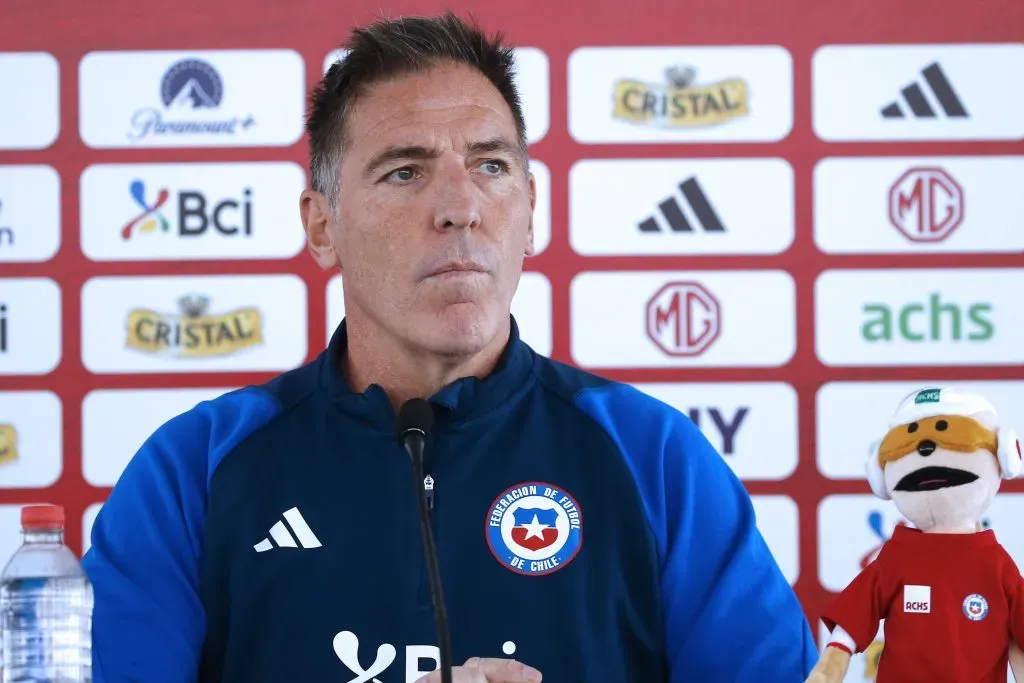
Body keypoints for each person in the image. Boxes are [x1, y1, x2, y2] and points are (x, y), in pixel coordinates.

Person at [81, 11, 818, 683]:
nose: (460, 207)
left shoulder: (654, 457)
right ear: (320, 225)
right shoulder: (193, 472)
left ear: (530, 212)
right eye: (405, 171)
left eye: (491, 167)